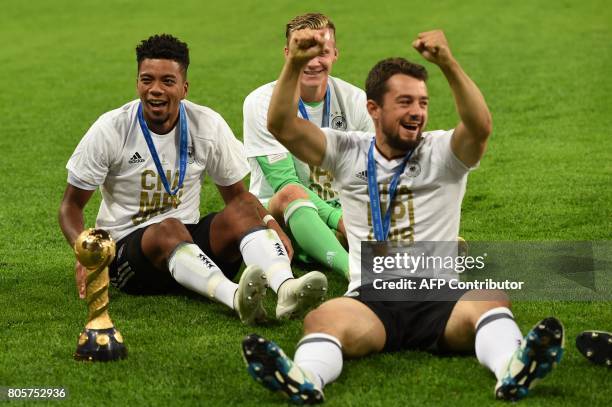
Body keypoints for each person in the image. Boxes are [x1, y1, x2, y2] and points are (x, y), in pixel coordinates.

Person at [241, 29, 565, 402]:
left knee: (490, 300)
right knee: (323, 318)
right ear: (374, 109)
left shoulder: (442, 151)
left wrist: (448, 63)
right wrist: (296, 62)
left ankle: (512, 366)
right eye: (405, 102)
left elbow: (479, 127)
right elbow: (282, 126)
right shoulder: (348, 150)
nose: (417, 112)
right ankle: (306, 378)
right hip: (372, 297)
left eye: (423, 103)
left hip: (439, 294)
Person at [58, 34, 328, 325]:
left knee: (241, 210)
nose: (155, 90)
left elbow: (239, 198)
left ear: (184, 88)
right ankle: (235, 297)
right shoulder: (111, 129)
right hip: (129, 257)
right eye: (146, 80)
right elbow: (70, 207)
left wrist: (272, 225)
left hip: (191, 252)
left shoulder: (206, 124)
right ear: (137, 83)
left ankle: (286, 288)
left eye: (167, 81)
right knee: (168, 228)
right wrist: (84, 252)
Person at [243, 13, 374, 281]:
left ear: (335, 53)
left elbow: (368, 174)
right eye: (304, 52)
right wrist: (341, 221)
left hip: (340, 208)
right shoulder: (260, 102)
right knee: (293, 193)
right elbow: (284, 183)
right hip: (279, 213)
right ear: (288, 53)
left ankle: (330, 245)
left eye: (322, 52)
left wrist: (356, 216)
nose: (313, 62)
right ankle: (353, 271)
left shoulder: (356, 100)